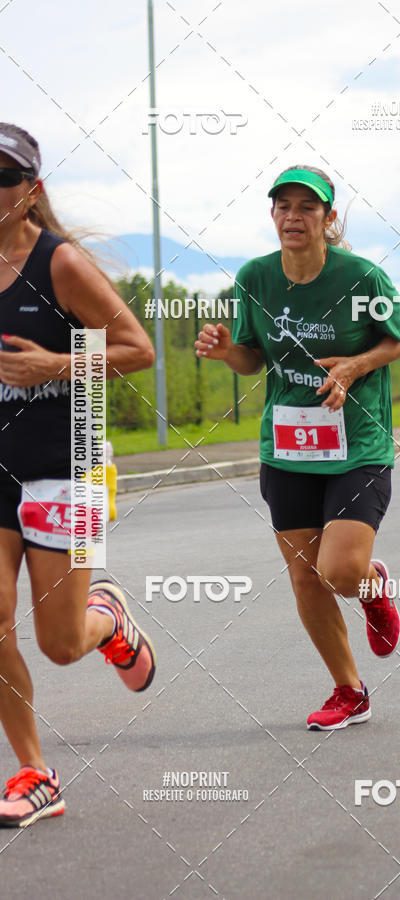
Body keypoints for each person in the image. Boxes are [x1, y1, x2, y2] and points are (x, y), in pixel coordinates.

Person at [196, 165, 400, 731]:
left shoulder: (361, 277)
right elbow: (251, 358)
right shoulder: (255, 278)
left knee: (338, 571)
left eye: (307, 208)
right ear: (273, 216)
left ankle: (369, 583)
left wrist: (357, 363)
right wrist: (226, 353)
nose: (293, 217)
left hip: (358, 442)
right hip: (288, 447)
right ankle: (350, 690)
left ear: (328, 218)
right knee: (304, 577)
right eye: (283, 207)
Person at [0, 124, 156, 827]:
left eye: (3, 177)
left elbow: (136, 348)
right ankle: (35, 773)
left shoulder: (58, 263)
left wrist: (53, 366)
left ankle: (109, 616)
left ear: (30, 191)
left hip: (69, 469)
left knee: (61, 646)